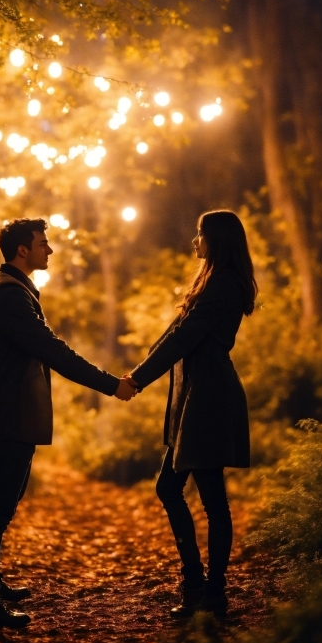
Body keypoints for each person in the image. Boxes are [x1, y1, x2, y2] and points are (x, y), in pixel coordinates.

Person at [0, 217, 136, 628]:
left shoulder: (9, 290)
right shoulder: (10, 298)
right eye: (43, 243)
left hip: (8, 412)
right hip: (9, 415)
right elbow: (54, 352)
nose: (50, 250)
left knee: (0, 504)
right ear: (22, 250)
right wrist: (111, 385)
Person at [126, 210, 257, 618]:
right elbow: (172, 332)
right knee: (172, 489)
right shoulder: (210, 281)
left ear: (215, 239)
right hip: (194, 395)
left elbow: (185, 338)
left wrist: (138, 379)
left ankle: (210, 590)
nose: (194, 240)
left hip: (209, 396)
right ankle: (199, 583)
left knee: (210, 497)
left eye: (199, 234)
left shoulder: (224, 285)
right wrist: (135, 374)